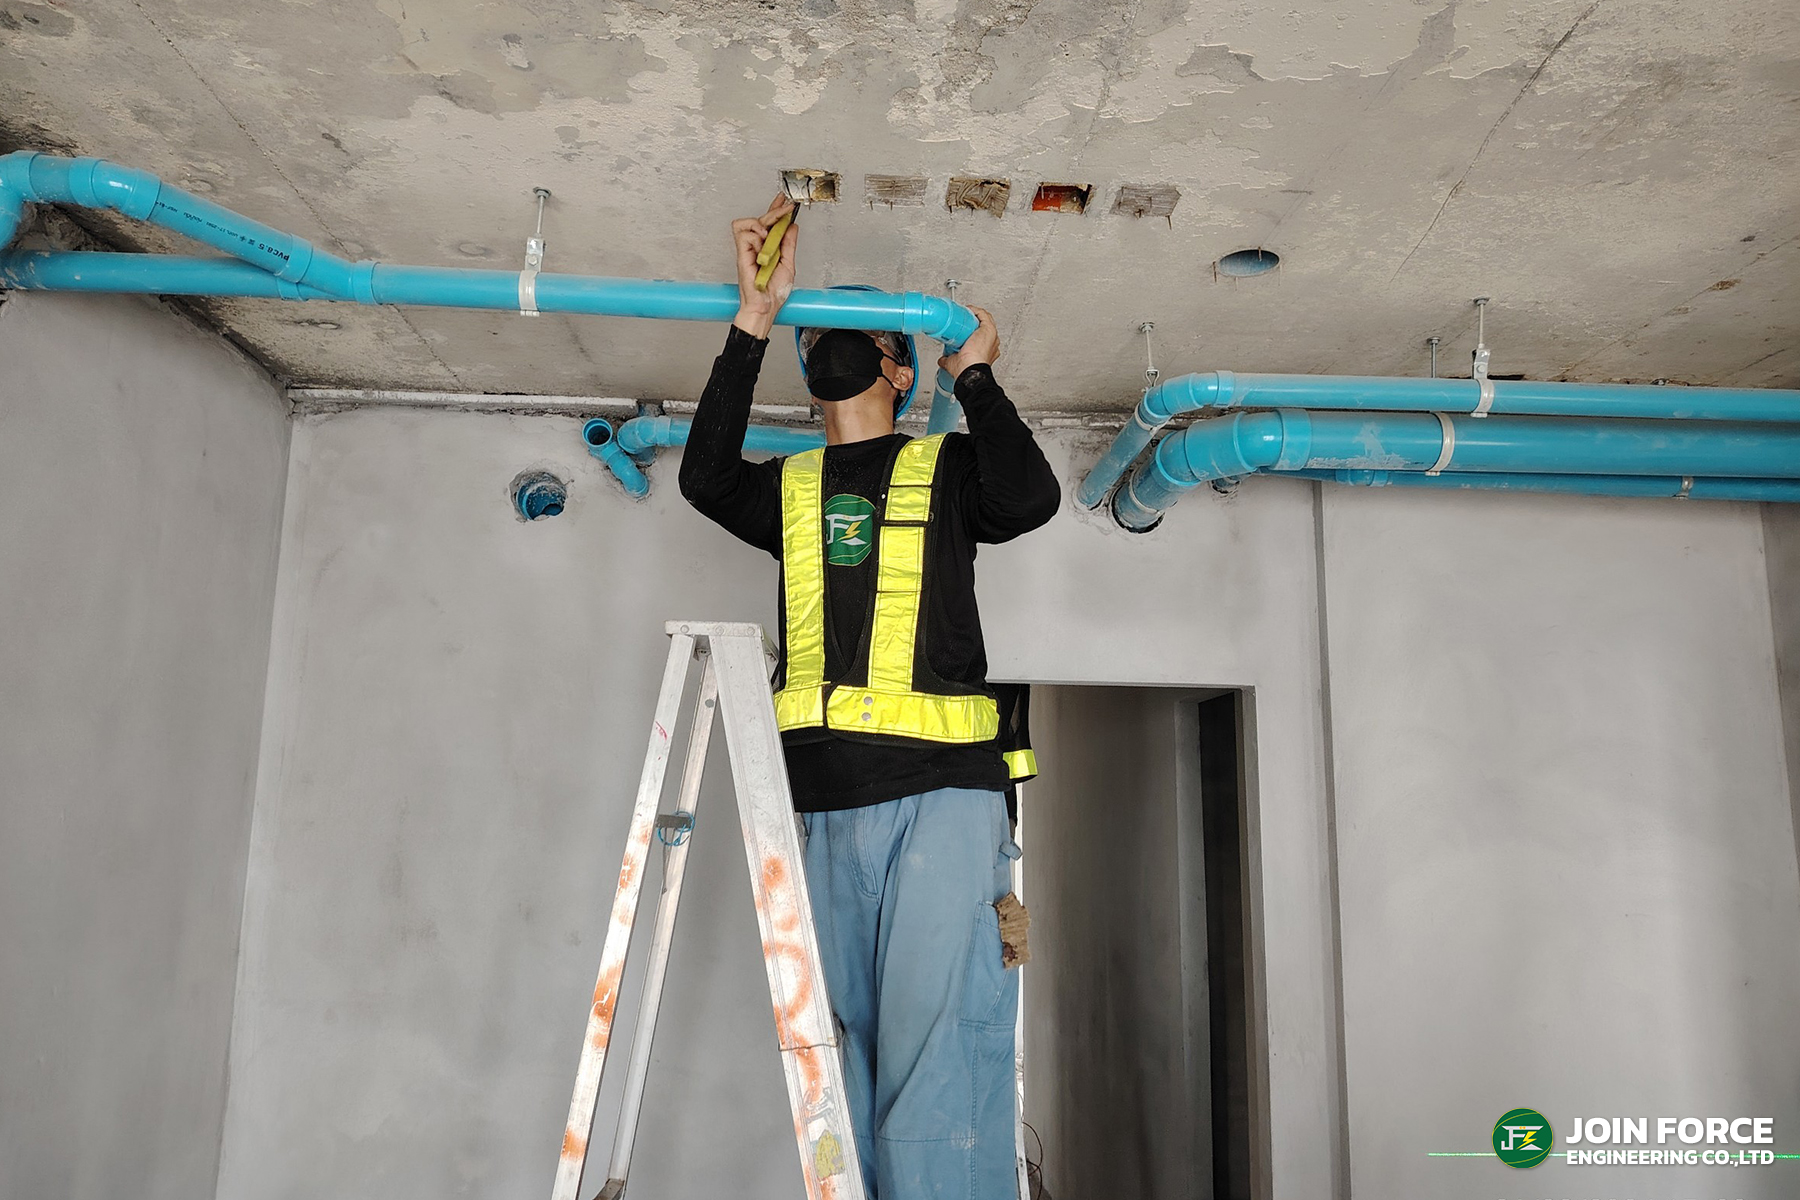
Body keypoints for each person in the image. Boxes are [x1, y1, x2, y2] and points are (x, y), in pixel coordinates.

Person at [679, 194, 1059, 1199]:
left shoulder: (950, 467)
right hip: (817, 811)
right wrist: (753, 322)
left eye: (861, 338)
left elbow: (1030, 498)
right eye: (814, 338)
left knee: (937, 1067)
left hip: (941, 801)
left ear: (899, 370)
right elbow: (704, 478)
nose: (829, 348)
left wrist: (972, 374)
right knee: (834, 1065)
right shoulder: (790, 489)